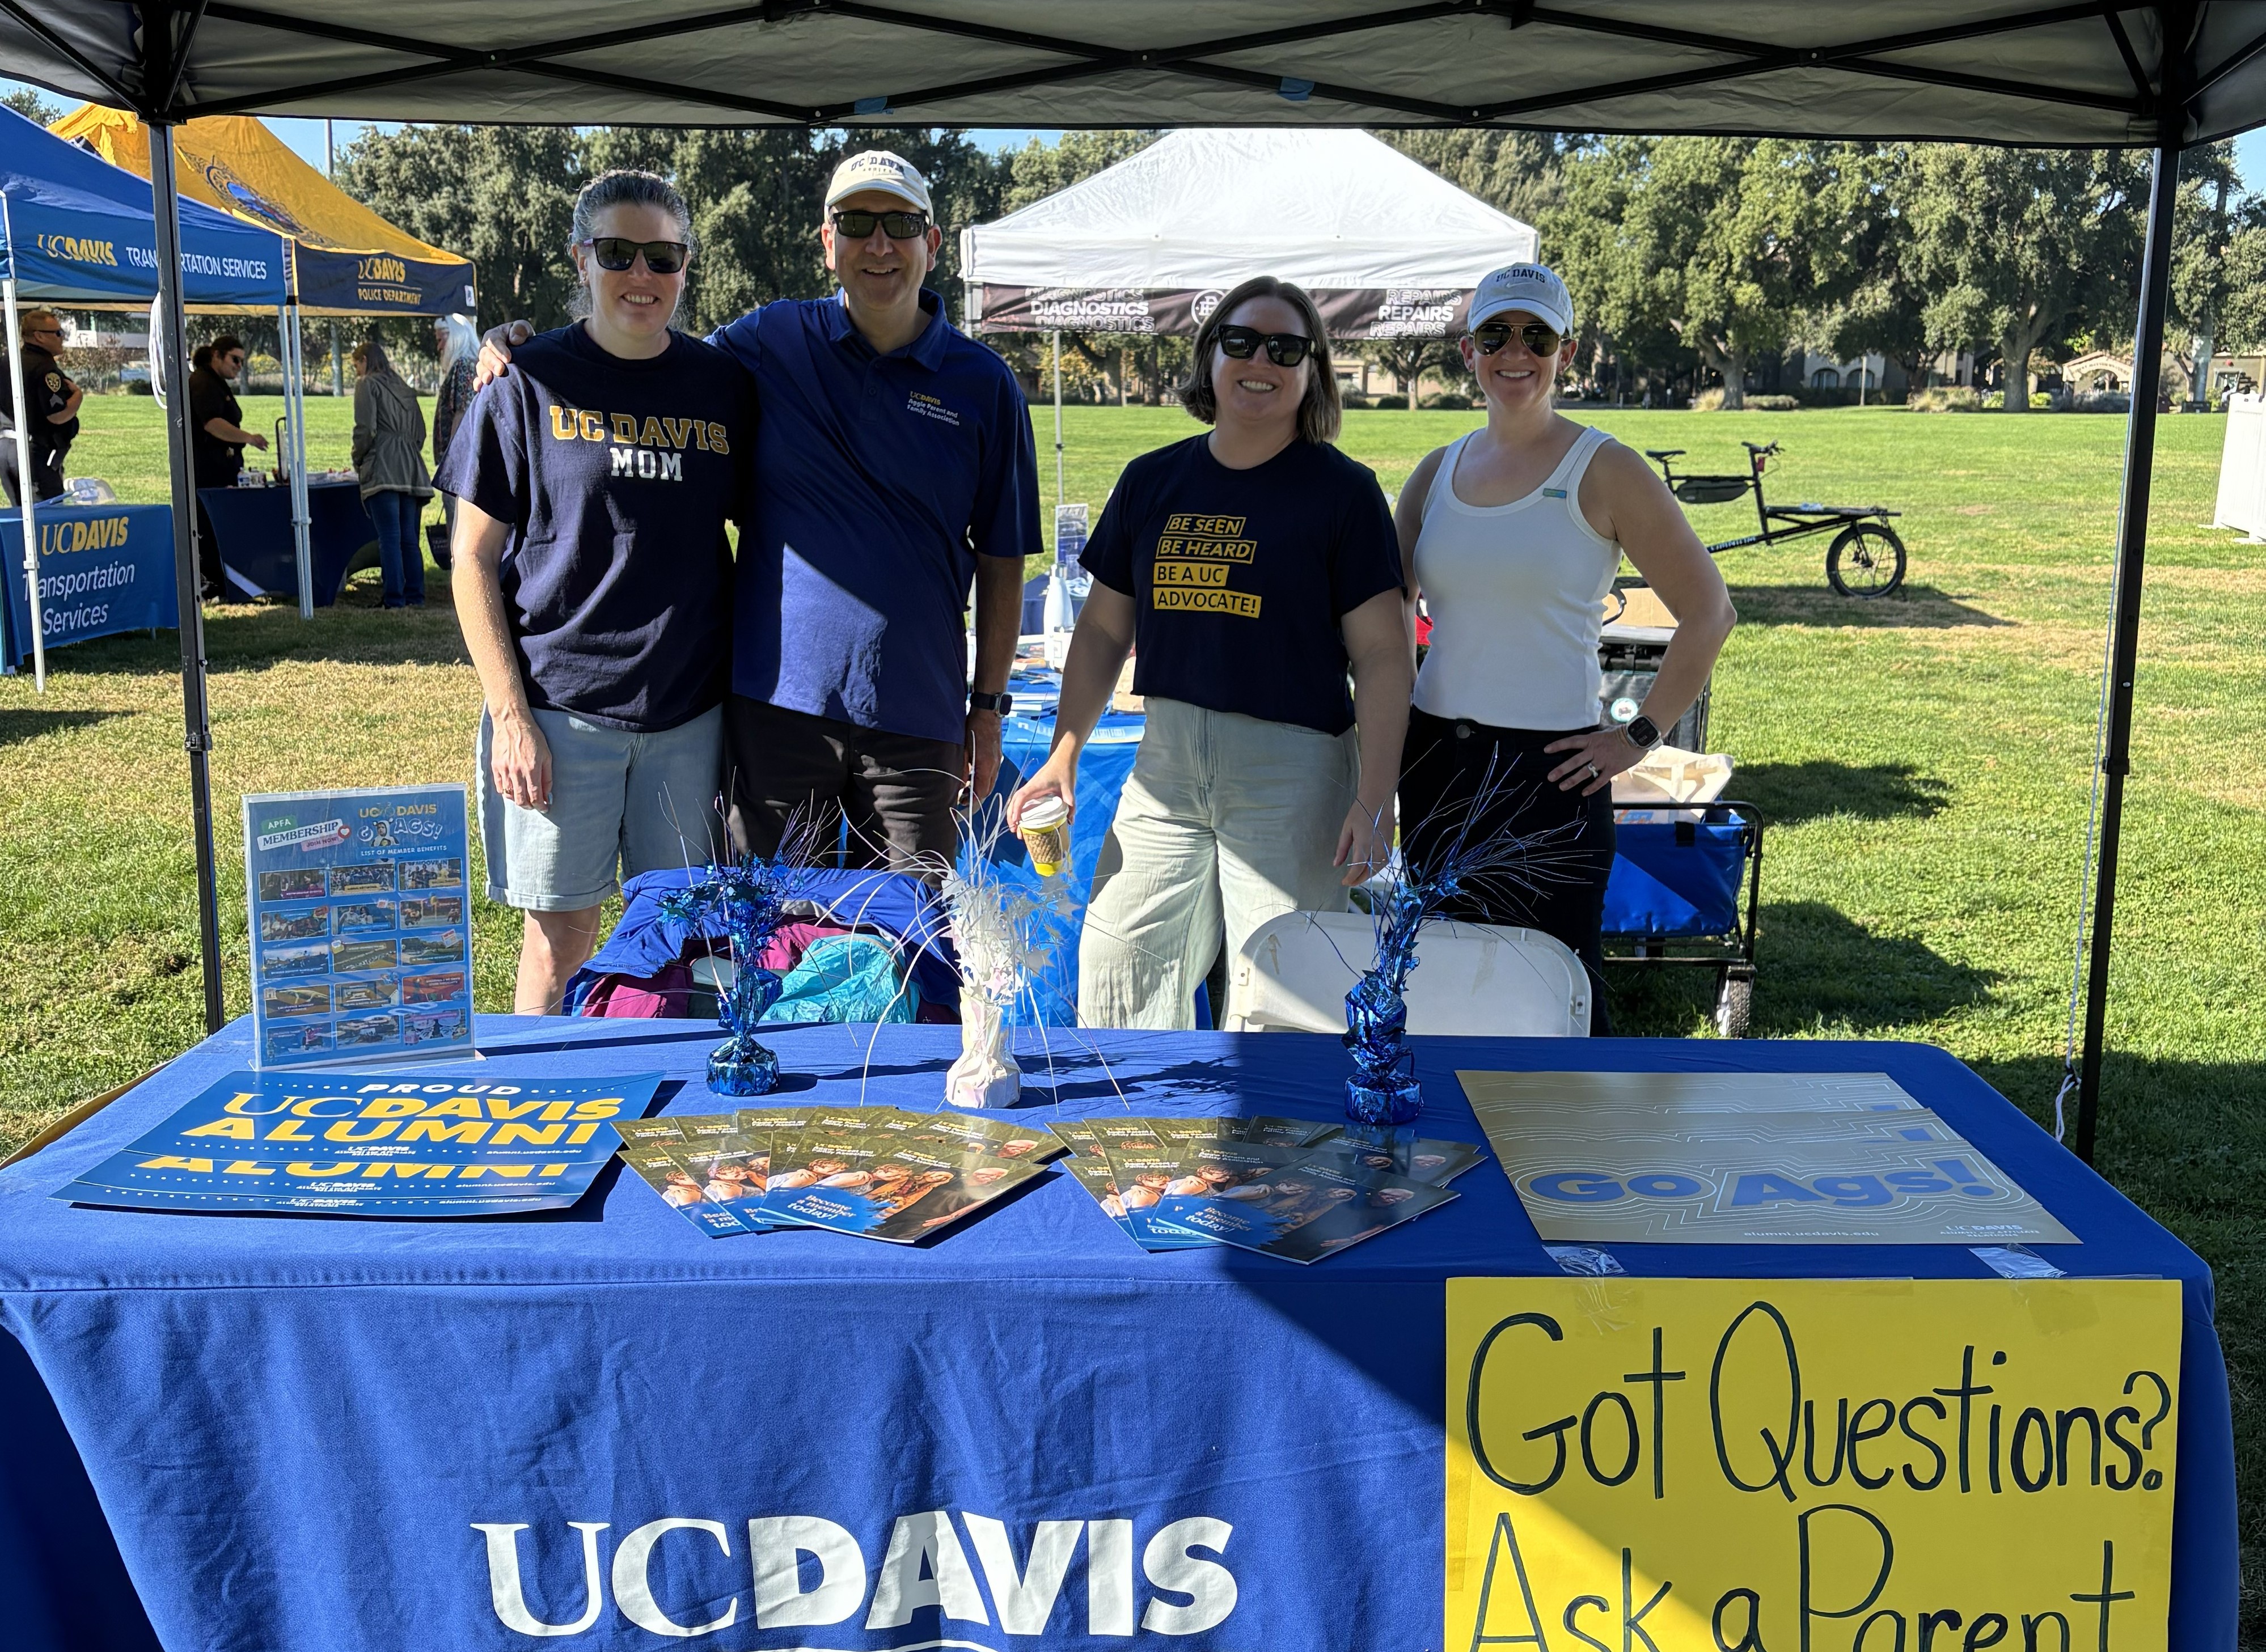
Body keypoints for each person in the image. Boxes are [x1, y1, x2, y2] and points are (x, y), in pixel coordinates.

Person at [475, 149, 1040, 875]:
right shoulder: (771, 340)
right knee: (767, 929)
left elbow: (1003, 559)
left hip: (918, 713)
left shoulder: (984, 384)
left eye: (900, 223)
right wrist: (530, 347)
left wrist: (987, 708)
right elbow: (640, 348)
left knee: (913, 935)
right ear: (826, 242)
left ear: (932, 243)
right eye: (857, 222)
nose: (879, 243)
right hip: (776, 707)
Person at [1003, 276, 1414, 1031]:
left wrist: (1376, 796)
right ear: (1210, 356)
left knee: (1287, 986)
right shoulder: (1152, 480)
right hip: (1167, 765)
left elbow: (1386, 656)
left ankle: (1277, 1146)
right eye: (1242, 341)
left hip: (1295, 771)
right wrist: (1064, 752)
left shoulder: (1345, 494)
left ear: (1313, 372)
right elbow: (1100, 633)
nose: (1262, 360)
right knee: (1118, 961)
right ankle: (1142, 1135)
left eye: (1287, 348)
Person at [436, 170, 754, 1014]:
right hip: (558, 713)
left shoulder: (724, 388)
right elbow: (470, 559)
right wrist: (511, 719)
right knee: (560, 938)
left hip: (689, 714)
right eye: (618, 253)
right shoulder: (523, 383)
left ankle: (673, 1122)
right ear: (581, 259)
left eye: (663, 255)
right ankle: (540, 1124)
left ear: (687, 266)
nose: (641, 275)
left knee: (681, 942)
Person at [1392, 262, 1735, 1033]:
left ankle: (1574, 1150)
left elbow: (1710, 612)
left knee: (1556, 993)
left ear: (1568, 353)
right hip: (1436, 763)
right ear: (1468, 350)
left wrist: (1639, 737)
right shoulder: (1433, 475)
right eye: (1497, 334)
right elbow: (1381, 627)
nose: (1516, 352)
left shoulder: (1605, 469)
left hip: (1552, 771)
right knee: (1441, 985)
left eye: (1537, 336)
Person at [350, 338, 430, 610]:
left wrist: (358, 458)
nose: (356, 372)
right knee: (409, 539)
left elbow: (366, 429)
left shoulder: (367, 384)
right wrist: (406, 450)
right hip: (412, 470)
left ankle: (394, 599)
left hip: (384, 466)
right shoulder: (406, 389)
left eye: (355, 366)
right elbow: (420, 433)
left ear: (364, 361)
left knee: (389, 538)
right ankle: (415, 596)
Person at [189, 336, 267, 600]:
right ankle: (212, 583)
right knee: (210, 528)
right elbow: (212, 424)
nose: (239, 366)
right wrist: (248, 437)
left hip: (224, 467)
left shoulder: (216, 383)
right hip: (208, 469)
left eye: (243, 362)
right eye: (235, 360)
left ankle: (225, 581)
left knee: (220, 528)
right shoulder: (202, 383)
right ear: (216, 355)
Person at [0, 309, 82, 505]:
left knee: (21, 516)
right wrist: (78, 397)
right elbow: (57, 415)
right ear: (40, 336)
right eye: (59, 333)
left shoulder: (6, 361)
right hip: (31, 453)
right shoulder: (45, 368)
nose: (63, 338)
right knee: (47, 520)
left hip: (4, 449)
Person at [431, 315, 479, 549]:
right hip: (463, 458)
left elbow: (461, 412)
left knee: (458, 522)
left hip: (460, 461)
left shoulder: (463, 366)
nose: (439, 346)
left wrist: (452, 460)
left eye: (442, 339)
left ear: (457, 338)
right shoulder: (469, 364)